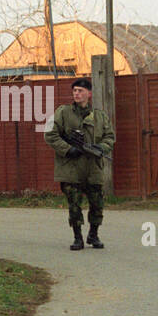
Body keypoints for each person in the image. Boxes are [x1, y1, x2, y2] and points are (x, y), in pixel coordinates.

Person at [45, 77, 115, 250]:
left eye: (80, 91)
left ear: (89, 94)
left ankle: (93, 235)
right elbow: (50, 134)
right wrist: (68, 149)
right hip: (71, 167)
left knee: (97, 204)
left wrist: (101, 147)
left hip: (93, 167)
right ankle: (77, 237)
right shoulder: (63, 113)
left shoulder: (100, 116)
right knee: (74, 205)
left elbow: (110, 137)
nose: (77, 93)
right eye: (75, 90)